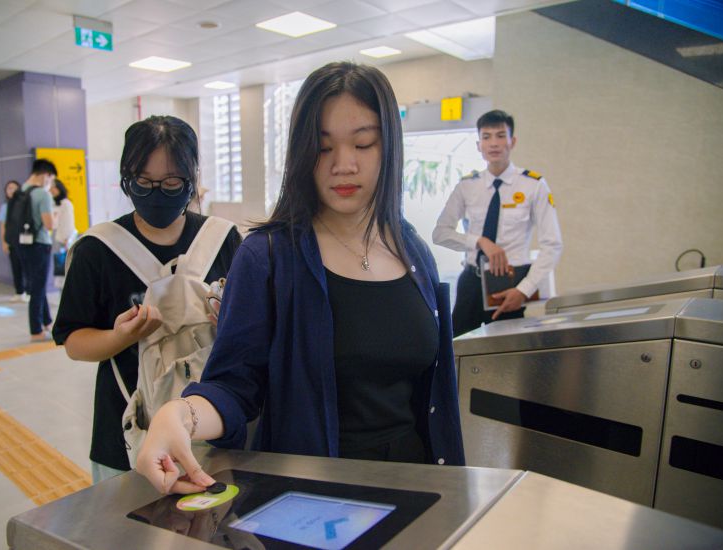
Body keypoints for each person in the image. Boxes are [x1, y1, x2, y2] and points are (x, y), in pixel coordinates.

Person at [136, 62, 465, 496]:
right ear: (301, 153)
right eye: (323, 147)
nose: (343, 165)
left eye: (363, 143)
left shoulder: (412, 249)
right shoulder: (269, 258)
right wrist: (179, 415)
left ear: (389, 148)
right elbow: (233, 386)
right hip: (315, 499)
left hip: (419, 489)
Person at [52, 115, 241, 483]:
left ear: (192, 180)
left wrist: (228, 324)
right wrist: (121, 336)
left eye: (171, 182)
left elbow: (253, 332)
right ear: (127, 179)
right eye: (143, 182)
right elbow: (74, 342)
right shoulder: (98, 250)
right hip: (126, 434)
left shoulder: (225, 240)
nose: (157, 193)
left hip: (212, 426)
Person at [432, 109, 563, 337]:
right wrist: (480, 242)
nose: (493, 143)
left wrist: (524, 291)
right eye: (486, 137)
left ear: (512, 141)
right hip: (471, 282)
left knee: (507, 353)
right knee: (456, 349)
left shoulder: (533, 185)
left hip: (511, 283)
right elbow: (440, 233)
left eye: (501, 135)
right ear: (478, 145)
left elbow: (552, 245)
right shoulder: (467, 186)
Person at [17, 159, 56, 342]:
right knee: (38, 288)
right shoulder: (42, 194)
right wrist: (54, 216)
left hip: (23, 244)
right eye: (51, 178)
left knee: (36, 284)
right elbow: (49, 224)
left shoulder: (21, 190)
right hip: (40, 243)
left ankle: (47, 321)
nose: (51, 183)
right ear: (45, 175)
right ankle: (36, 330)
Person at [0, 180, 29, 301]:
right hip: (12, 241)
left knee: (27, 267)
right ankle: (19, 292)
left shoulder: (24, 204)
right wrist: (4, 242)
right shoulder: (5, 206)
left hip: (24, 240)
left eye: (14, 188)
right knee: (15, 267)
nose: (11, 190)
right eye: (8, 188)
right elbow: (3, 225)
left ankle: (28, 292)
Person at [50, 179, 76, 285]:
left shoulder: (65, 203)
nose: (52, 189)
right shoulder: (53, 204)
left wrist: (67, 239)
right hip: (56, 238)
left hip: (64, 239)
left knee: (66, 266)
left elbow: (68, 222)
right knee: (59, 268)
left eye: (54, 187)